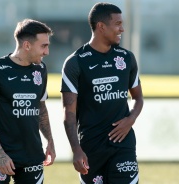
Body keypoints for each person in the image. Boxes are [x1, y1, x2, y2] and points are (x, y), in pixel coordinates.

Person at [61, 2, 143, 184]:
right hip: (91, 147)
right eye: (118, 24)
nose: (122, 29)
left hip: (124, 143)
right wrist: (76, 150)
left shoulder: (126, 58)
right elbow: (69, 113)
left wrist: (130, 119)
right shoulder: (75, 63)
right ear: (101, 26)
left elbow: (138, 98)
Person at [0, 19, 56, 184]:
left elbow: (41, 108)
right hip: (0, 156)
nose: (47, 52)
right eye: (43, 46)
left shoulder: (40, 70)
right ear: (27, 45)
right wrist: (0, 154)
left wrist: (50, 141)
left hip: (32, 156)